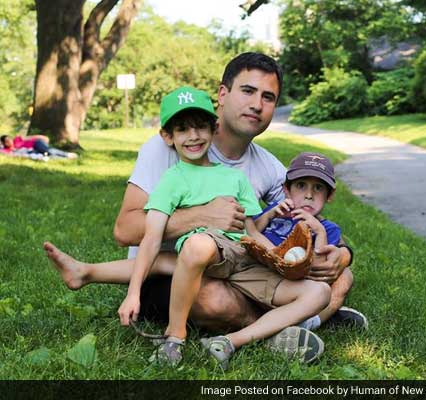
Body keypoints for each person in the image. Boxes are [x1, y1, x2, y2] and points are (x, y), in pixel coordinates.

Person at [43, 53, 364, 360]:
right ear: (222, 94)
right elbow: (125, 230)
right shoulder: (167, 148)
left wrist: (342, 253)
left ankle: (292, 321)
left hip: (235, 266)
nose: (257, 104)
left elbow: (305, 219)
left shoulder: (268, 167)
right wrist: (200, 215)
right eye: (248, 91)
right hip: (173, 275)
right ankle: (299, 323)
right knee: (214, 298)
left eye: (268, 97)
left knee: (344, 275)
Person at [97, 85, 328, 368]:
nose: (193, 136)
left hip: (242, 260)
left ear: (213, 128)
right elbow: (151, 238)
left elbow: (251, 232)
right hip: (207, 259)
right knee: (198, 245)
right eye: (182, 129)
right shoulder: (171, 180)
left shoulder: (235, 178)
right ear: (168, 136)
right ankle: (175, 338)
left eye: (200, 127)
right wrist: (133, 294)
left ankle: (230, 342)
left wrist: (281, 258)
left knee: (319, 293)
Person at [253, 152, 365, 330]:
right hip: (260, 277)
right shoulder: (276, 210)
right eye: (301, 185)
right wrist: (269, 214)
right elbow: (249, 232)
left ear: (330, 195)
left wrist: (319, 231)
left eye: (318, 188)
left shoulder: (328, 228)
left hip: (295, 287)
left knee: (343, 279)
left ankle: (309, 324)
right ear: (286, 189)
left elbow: (321, 269)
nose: (309, 195)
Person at [0, 134, 78, 159]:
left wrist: (42, 137)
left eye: (9, 139)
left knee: (47, 151)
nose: (9, 141)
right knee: (46, 156)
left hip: (36, 143)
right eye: (7, 141)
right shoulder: (8, 150)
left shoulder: (17, 139)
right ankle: (65, 158)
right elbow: (3, 152)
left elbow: (30, 137)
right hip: (33, 150)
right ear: (4, 144)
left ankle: (67, 154)